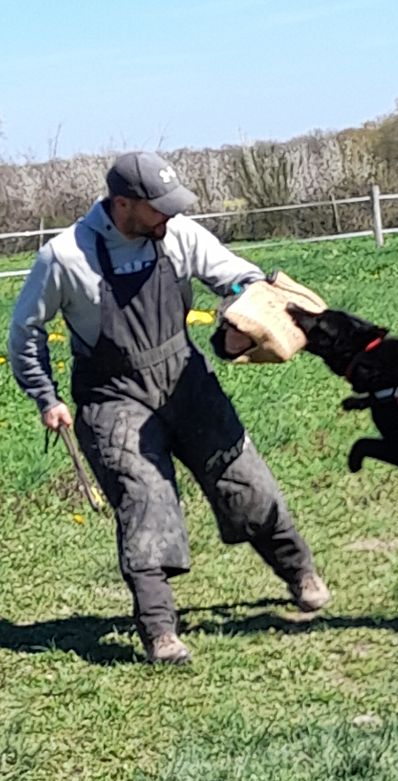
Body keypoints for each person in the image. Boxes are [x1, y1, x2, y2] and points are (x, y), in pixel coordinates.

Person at [9, 151, 330, 665]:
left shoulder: (178, 234)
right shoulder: (64, 257)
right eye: (158, 207)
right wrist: (46, 396)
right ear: (122, 204)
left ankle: (301, 573)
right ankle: (160, 630)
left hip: (186, 382)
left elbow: (235, 275)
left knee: (246, 481)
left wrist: (252, 304)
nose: (170, 215)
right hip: (113, 399)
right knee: (145, 504)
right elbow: (24, 334)